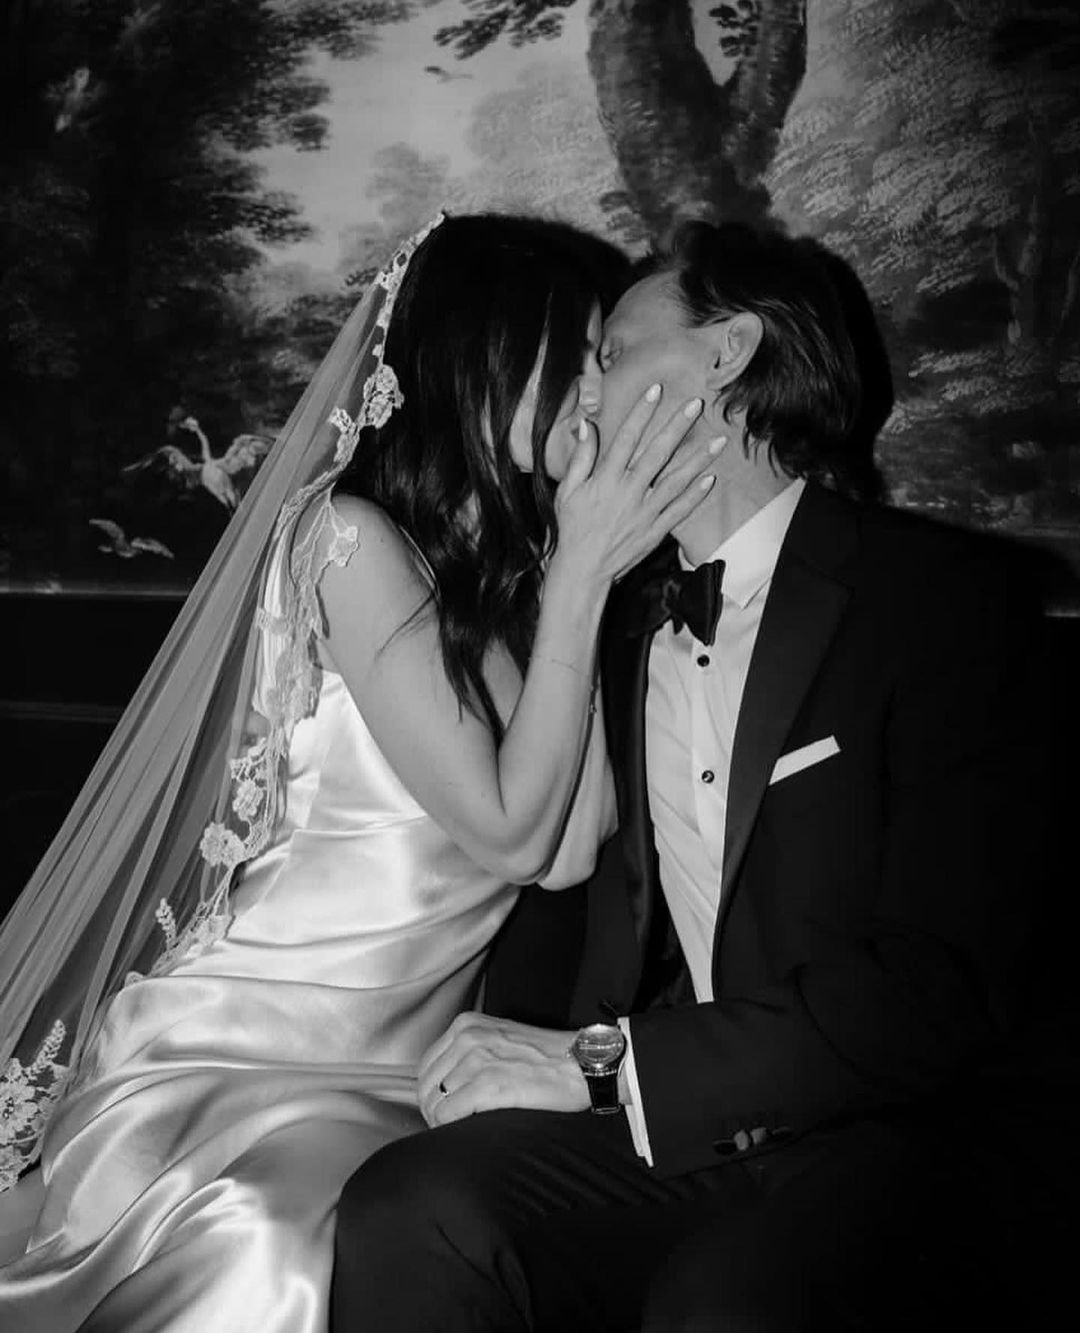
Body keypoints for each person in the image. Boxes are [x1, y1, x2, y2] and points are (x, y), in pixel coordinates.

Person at [332, 220, 1059, 1332]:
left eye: (614, 353)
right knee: (410, 1205)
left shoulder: (943, 600)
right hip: (665, 1134)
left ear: (727, 353)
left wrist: (602, 1064)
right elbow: (559, 866)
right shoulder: (611, 618)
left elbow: (934, 990)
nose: (586, 391)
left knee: (722, 1302)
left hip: (889, 1133)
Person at [0, 213, 718, 1331]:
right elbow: (510, 834)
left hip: (398, 1073)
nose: (596, 390)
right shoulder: (347, 539)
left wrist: (579, 575)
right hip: (238, 1051)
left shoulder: (518, 576)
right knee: (273, 1243)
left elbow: (569, 852)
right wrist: (583, 572)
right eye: (575, 354)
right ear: (480, 355)